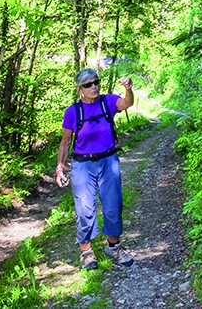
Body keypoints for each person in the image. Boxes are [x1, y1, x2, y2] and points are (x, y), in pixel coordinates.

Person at [56, 68, 135, 270]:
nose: (94, 87)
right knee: (84, 209)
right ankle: (87, 253)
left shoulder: (107, 101)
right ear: (79, 89)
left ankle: (114, 248)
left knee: (113, 205)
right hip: (82, 165)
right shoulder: (73, 111)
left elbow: (127, 104)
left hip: (108, 161)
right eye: (88, 84)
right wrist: (59, 168)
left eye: (96, 82)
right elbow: (65, 142)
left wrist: (128, 89)